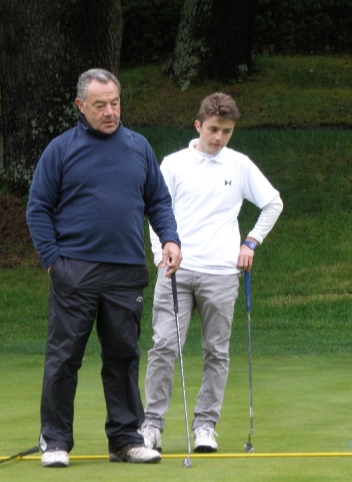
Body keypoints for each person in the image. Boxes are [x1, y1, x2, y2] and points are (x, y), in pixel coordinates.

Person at [26, 68, 183, 468]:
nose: (110, 111)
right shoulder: (61, 150)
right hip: (74, 270)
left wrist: (170, 239)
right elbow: (38, 208)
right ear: (81, 106)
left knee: (123, 357)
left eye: (115, 103)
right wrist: (52, 263)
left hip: (126, 271)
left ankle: (125, 439)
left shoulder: (139, 147)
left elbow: (158, 201)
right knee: (64, 357)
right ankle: (56, 440)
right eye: (100, 105)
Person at [140, 92, 283, 453]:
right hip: (177, 271)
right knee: (164, 347)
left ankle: (205, 426)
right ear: (198, 125)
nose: (219, 138)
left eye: (227, 131)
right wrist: (160, 254)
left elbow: (272, 202)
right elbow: (155, 210)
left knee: (216, 351)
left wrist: (251, 242)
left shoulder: (239, 165)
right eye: (214, 129)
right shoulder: (173, 164)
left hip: (221, 272)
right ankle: (152, 425)